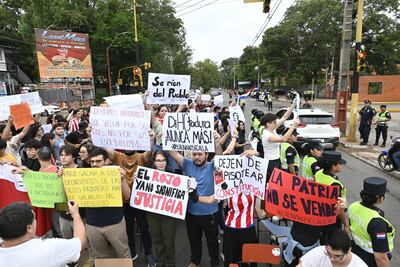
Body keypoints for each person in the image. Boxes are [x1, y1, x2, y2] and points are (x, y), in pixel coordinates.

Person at [168, 131, 223, 267]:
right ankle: (195, 261)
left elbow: (220, 157)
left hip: (210, 214)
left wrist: (217, 142)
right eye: (194, 154)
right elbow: (172, 153)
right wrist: (161, 136)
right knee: (194, 240)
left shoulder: (212, 166)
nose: (196, 157)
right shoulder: (187, 164)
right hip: (191, 213)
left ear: (207, 155)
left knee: (212, 241)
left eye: (200, 154)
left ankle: (215, 263)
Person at [0, 201, 86, 267]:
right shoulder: (48, 248)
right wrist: (75, 214)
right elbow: (80, 242)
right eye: (34, 219)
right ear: (29, 228)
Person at [83, 148, 131, 259]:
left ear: (106, 161)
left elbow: (127, 196)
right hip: (92, 224)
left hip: (114, 223)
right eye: (92, 161)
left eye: (98, 161)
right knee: (100, 257)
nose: (95, 164)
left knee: (123, 254)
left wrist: (122, 180)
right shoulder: (83, 176)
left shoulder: (115, 174)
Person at [349, 177, 395, 267]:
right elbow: (381, 257)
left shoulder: (354, 205)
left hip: (355, 251)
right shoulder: (377, 222)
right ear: (380, 198)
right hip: (370, 258)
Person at [145, 151, 177, 267]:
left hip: (168, 214)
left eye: (163, 160)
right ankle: (160, 263)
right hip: (152, 214)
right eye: (158, 160)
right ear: (154, 162)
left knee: (169, 241)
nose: (161, 163)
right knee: (157, 240)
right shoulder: (147, 175)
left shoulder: (174, 177)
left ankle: (170, 263)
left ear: (167, 162)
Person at [260, 101, 298, 184]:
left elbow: (284, 117)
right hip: (271, 162)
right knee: (271, 183)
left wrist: (293, 106)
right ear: (268, 123)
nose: (276, 123)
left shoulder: (272, 129)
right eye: (274, 122)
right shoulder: (267, 135)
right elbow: (284, 139)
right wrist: (293, 126)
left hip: (276, 159)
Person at [315, 151, 349, 242]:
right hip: (331, 221)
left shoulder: (318, 173)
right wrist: (346, 224)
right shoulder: (335, 184)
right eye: (340, 164)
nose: (341, 166)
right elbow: (339, 210)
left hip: (319, 214)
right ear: (333, 166)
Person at [297, 229, 367, 267]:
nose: (332, 259)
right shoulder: (319, 252)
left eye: (337, 256)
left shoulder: (359, 265)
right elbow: (302, 263)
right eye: (329, 253)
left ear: (348, 250)